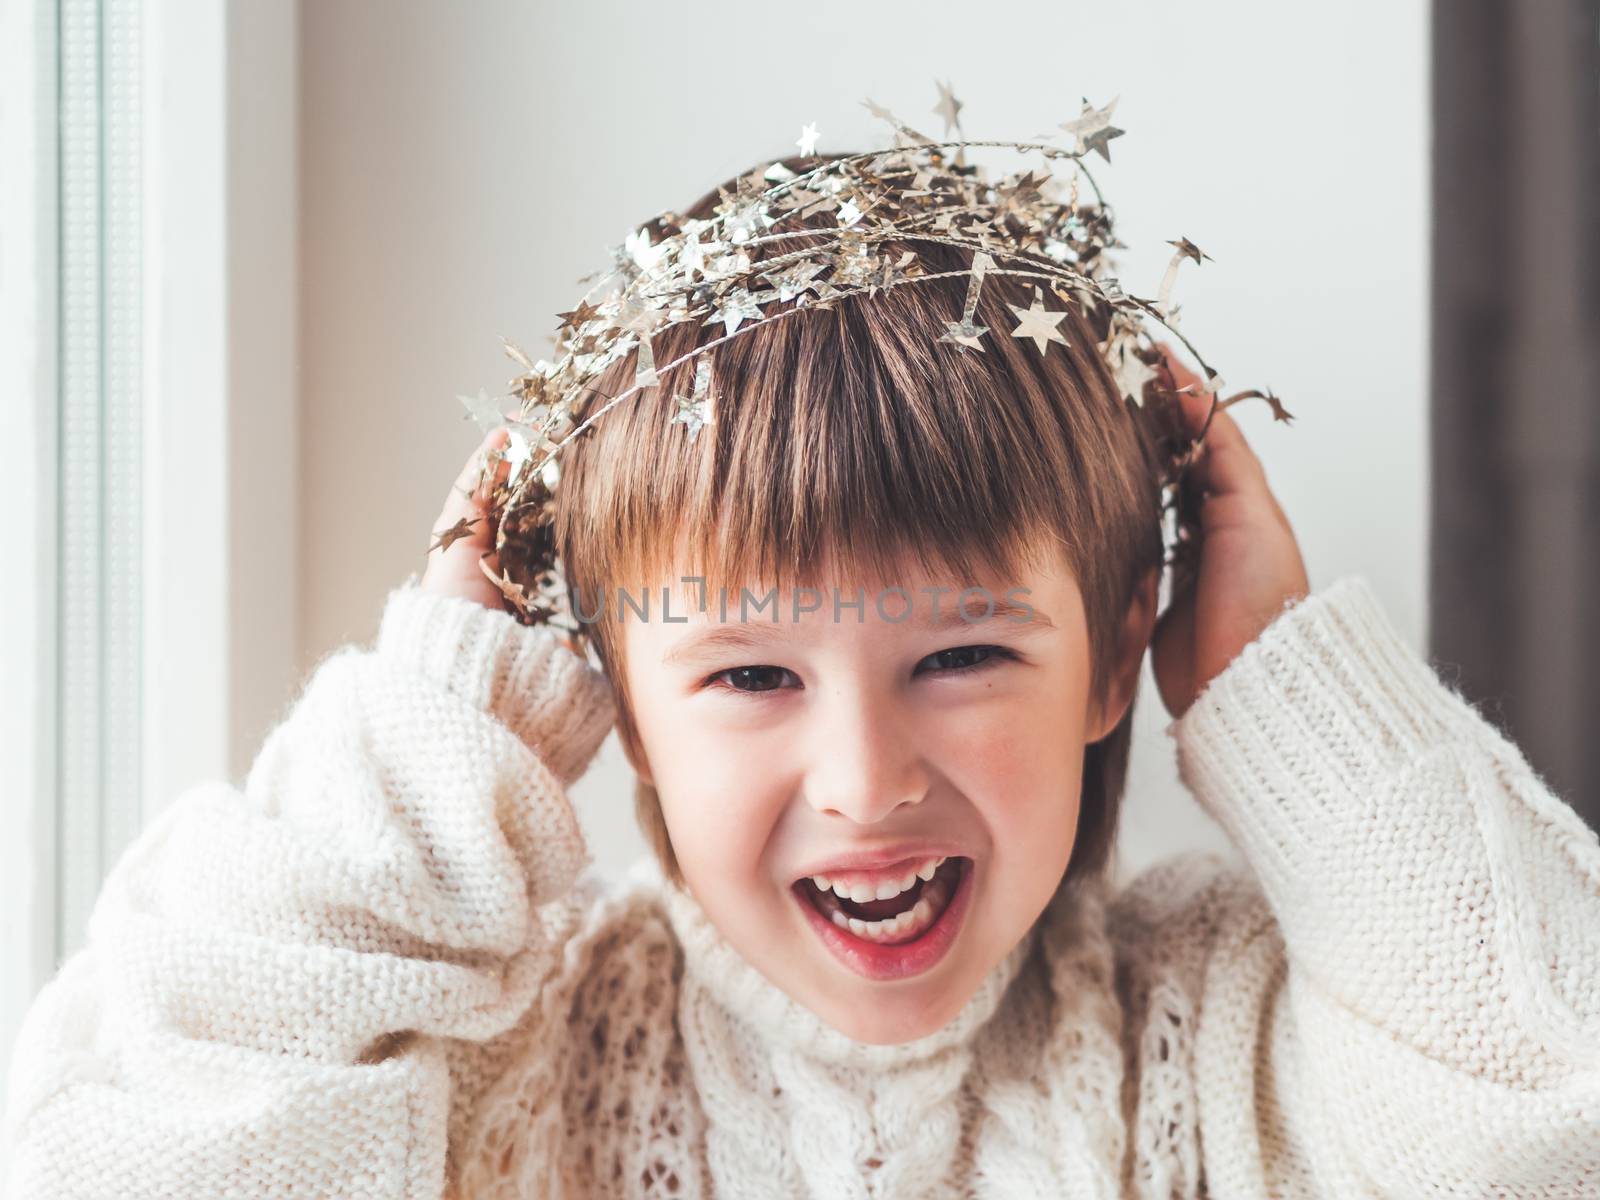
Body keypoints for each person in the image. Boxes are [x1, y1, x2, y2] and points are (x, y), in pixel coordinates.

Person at [7, 144, 1599, 1199]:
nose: (865, 781)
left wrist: (1275, 676)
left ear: (1118, 658)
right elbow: (118, 1151)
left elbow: (1559, 1095)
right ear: (615, 700)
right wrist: (435, 743)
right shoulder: (491, 1068)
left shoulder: (1227, 1040)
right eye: (752, 677)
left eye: (964, 652)